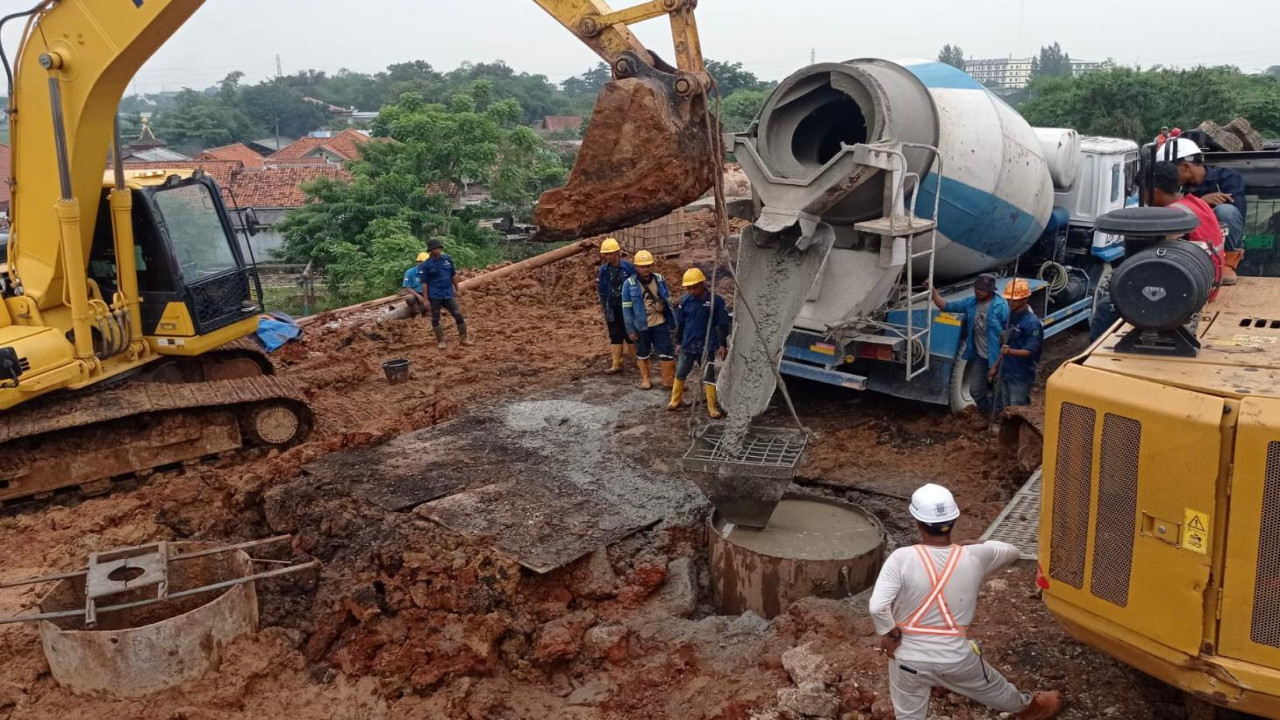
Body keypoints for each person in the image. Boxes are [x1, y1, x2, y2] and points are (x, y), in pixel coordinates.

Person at [869, 483, 1062, 720]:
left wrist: (891, 635)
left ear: (916, 522)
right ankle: (1032, 709)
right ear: (954, 520)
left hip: (908, 659)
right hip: (955, 659)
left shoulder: (901, 558)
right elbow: (1011, 550)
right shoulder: (974, 557)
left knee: (908, 713)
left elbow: (878, 607)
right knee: (994, 687)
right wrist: (980, 545)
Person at [931, 273, 1008, 415]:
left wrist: (998, 363)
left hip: (997, 357)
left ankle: (998, 417)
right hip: (980, 356)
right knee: (976, 391)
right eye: (976, 288)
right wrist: (933, 292)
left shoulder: (1001, 307)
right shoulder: (971, 303)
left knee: (1000, 392)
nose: (978, 291)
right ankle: (988, 412)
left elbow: (1009, 338)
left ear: (991, 291)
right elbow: (946, 306)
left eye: (982, 289)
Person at [1160, 138, 1247, 261]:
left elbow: (1235, 214)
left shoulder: (1227, 177)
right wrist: (1201, 202)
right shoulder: (1177, 189)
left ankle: (1228, 263)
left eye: (1170, 170)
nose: (1168, 176)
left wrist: (1193, 207)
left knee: (1225, 211)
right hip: (1190, 250)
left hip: (1220, 246)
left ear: (1185, 167)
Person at [1149, 161, 1227, 289]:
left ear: (1155, 192)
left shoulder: (1173, 214)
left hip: (1198, 288)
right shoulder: (1197, 202)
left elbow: (1164, 257)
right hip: (1211, 281)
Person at [669, 267, 732, 417]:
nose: (691, 291)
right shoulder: (685, 301)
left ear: (702, 284)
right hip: (688, 345)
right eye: (688, 288)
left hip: (706, 345)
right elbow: (681, 324)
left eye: (694, 287)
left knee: (708, 375)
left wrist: (723, 344)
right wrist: (678, 342)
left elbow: (722, 324)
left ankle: (712, 407)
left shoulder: (715, 301)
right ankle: (675, 400)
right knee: (681, 371)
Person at [621, 250, 676, 390]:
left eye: (648, 266)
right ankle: (646, 379)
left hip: (660, 323)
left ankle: (668, 380)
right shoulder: (629, 284)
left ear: (652, 265)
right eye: (642, 266)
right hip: (641, 325)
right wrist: (630, 329)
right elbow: (626, 309)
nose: (645, 269)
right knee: (643, 352)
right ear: (636, 267)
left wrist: (664, 306)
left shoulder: (660, 279)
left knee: (666, 351)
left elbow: (667, 297)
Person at [992, 280, 1042, 410]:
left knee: (1018, 409)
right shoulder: (1011, 317)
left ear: (1025, 299)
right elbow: (1005, 347)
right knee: (1006, 407)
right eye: (1009, 300)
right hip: (1006, 370)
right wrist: (996, 366)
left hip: (1021, 374)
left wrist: (1010, 352)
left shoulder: (1032, 323)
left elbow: (1030, 351)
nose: (1010, 303)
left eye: (1014, 300)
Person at [418, 237, 473, 350]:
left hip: (448, 293)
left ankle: (464, 338)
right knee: (435, 318)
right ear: (430, 251)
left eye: (439, 248)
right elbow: (424, 283)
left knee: (458, 314)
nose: (437, 250)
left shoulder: (447, 260)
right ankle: (441, 341)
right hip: (435, 295)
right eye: (435, 249)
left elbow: (453, 275)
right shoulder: (425, 265)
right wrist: (425, 299)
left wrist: (457, 290)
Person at [596, 238, 636, 375]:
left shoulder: (628, 268)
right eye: (605, 254)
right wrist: (602, 303)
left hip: (626, 305)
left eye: (610, 253)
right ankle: (616, 364)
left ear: (617, 253)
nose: (607, 257)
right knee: (614, 333)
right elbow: (601, 288)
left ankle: (637, 361)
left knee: (629, 332)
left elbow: (635, 285)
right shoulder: (603, 270)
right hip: (611, 306)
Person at [401, 251, 430, 316]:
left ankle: (432, 309)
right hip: (415, 294)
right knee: (409, 298)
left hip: (428, 293)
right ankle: (417, 313)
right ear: (418, 262)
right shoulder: (409, 272)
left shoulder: (429, 272)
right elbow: (407, 287)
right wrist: (418, 296)